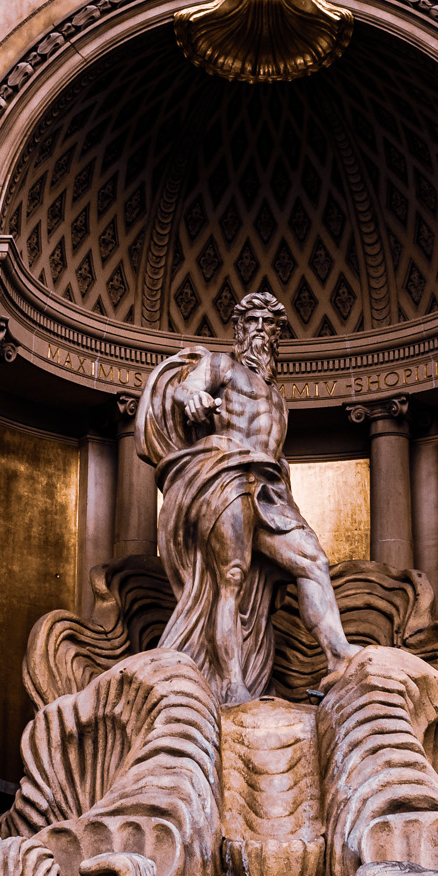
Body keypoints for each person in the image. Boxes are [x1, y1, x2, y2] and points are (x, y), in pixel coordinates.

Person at [136, 291, 353, 706]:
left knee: (312, 561)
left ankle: (339, 656)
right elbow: (187, 389)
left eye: (267, 324)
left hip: (269, 489)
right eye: (251, 322)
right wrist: (194, 397)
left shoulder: (278, 397)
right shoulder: (221, 365)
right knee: (231, 579)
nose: (258, 330)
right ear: (239, 330)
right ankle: (232, 683)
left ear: (276, 336)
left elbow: (274, 450)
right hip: (226, 474)